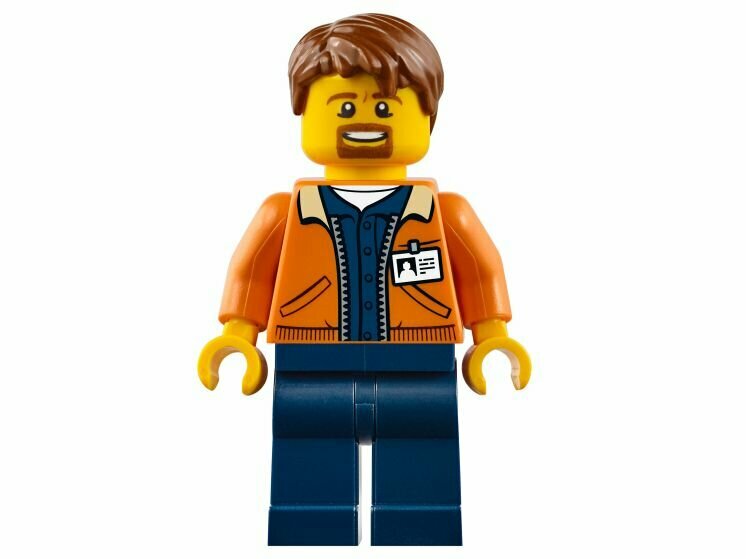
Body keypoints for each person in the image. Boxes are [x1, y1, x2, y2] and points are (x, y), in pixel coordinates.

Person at [198, 13, 531, 546]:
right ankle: (311, 532)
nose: (366, 121)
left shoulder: (445, 212)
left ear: (428, 118)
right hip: (309, 364)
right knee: (307, 460)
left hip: (420, 363)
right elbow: (250, 273)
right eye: (345, 107)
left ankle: (419, 533)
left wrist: (491, 337)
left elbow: (481, 271)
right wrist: (237, 335)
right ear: (303, 113)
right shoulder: (284, 211)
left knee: (423, 461)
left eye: (385, 107)